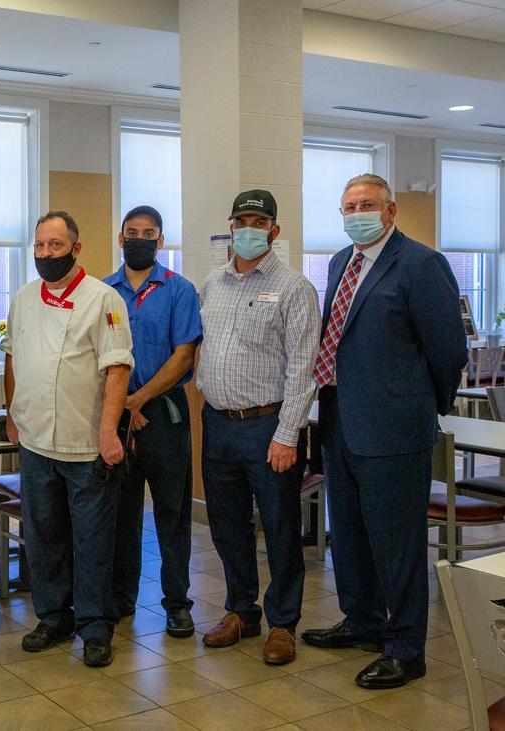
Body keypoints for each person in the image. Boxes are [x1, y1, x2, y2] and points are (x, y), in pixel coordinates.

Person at [301, 174, 468, 689]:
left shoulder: (421, 265)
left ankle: (406, 648)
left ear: (390, 211)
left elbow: (448, 351)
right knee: (348, 536)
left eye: (367, 204)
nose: (357, 213)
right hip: (340, 424)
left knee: (397, 544)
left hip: (395, 431)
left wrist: (419, 408)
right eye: (349, 205)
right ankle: (364, 621)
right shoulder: (339, 262)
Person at [2, 211, 133, 667]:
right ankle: (52, 617)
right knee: (43, 537)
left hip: (86, 446)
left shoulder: (104, 299)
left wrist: (108, 431)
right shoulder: (22, 298)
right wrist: (12, 414)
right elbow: (13, 359)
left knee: (93, 541)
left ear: (76, 249)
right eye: (39, 245)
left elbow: (117, 368)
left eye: (55, 246)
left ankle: (95, 627)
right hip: (36, 442)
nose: (45, 254)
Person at [196, 189, 319, 666]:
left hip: (269, 426)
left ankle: (283, 623)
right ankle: (240, 612)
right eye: (241, 219)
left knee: (282, 528)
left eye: (258, 221)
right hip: (219, 423)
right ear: (230, 225)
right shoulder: (213, 284)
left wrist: (289, 434)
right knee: (227, 527)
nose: (249, 228)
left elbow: (302, 369)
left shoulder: (294, 288)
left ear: (274, 229)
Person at [102, 205, 202, 637]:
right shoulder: (103, 292)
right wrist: (122, 405)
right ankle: (121, 598)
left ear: (160, 241)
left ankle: (177, 603)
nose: (139, 238)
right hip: (114, 415)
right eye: (132, 232)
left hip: (164, 415)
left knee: (172, 515)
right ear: (120, 238)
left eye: (149, 233)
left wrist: (138, 399)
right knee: (121, 513)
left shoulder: (179, 289)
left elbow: (184, 356)